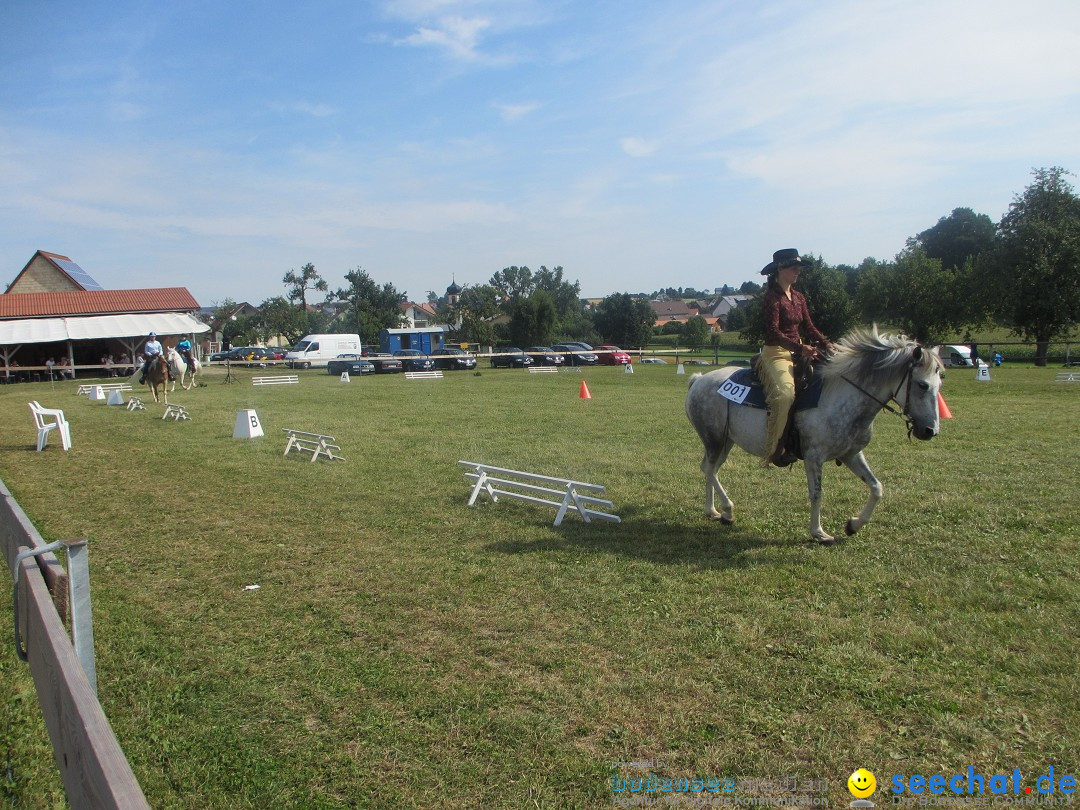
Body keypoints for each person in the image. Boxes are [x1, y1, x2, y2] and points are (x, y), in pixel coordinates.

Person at [758, 248, 833, 467]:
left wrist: (827, 343)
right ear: (780, 270)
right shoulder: (772, 298)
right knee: (785, 396)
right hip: (776, 353)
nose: (797, 272)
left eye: (798, 268)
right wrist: (800, 350)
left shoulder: (799, 297)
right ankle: (775, 449)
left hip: (800, 350)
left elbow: (809, 327)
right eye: (793, 268)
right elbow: (773, 332)